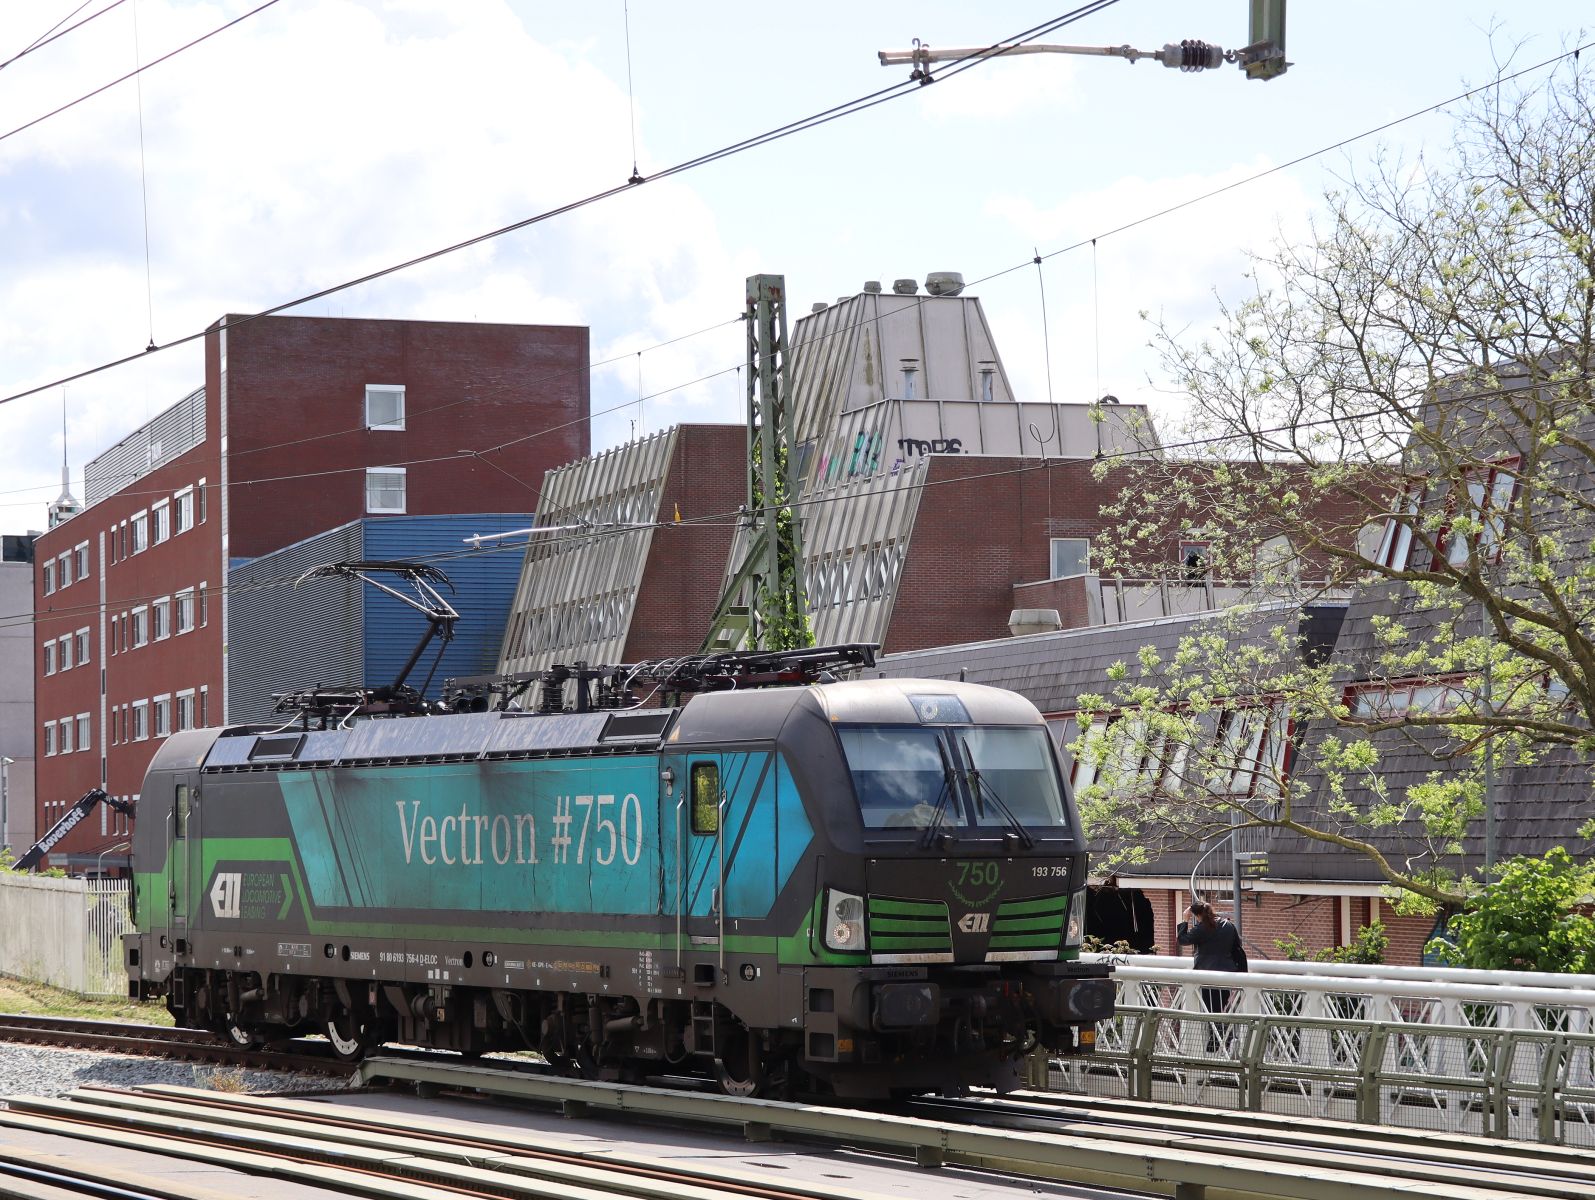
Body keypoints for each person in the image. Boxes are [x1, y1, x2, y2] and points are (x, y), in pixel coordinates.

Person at [1177, 899, 1248, 1047]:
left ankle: (1217, 1039)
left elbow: (1182, 940)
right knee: (1220, 1007)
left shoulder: (1202, 929)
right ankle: (1219, 1037)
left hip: (1207, 974)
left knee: (1210, 1009)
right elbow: (1237, 946)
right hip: (1228, 973)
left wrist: (1185, 921)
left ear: (1197, 916)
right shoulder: (1228, 925)